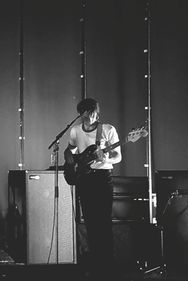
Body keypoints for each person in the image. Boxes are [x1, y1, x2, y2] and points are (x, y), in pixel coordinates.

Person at [64, 98, 121, 279]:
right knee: (90, 222)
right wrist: (70, 160)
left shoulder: (107, 130)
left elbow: (117, 156)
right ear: (81, 114)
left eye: (94, 112)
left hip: (103, 178)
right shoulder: (75, 131)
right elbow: (69, 150)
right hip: (85, 180)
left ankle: (108, 267)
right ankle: (96, 265)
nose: (91, 116)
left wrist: (104, 158)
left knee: (103, 222)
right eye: (87, 113)